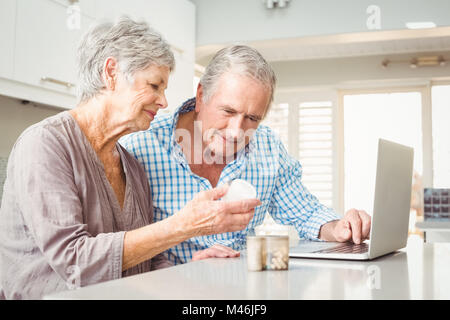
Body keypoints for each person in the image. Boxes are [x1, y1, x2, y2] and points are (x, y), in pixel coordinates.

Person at [0, 18, 260, 300]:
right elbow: (75, 262)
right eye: (154, 85)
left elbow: (145, 262)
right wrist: (182, 226)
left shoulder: (131, 164)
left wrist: (186, 268)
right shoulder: (45, 145)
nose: (163, 101)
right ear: (111, 72)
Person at [120, 45, 371, 265]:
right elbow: (125, 249)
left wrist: (338, 228)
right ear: (200, 96)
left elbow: (304, 212)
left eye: (252, 118)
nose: (236, 131)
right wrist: (187, 271)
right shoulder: (139, 146)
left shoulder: (267, 147)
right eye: (228, 111)